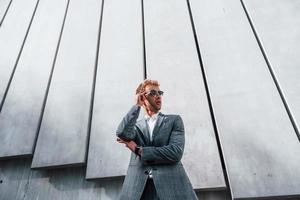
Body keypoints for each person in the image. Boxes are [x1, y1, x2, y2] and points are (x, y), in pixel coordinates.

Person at [116, 79, 198, 200]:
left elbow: (175, 153)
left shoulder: (174, 120)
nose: (158, 96)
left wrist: (139, 150)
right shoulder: (136, 127)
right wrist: (136, 106)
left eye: (160, 93)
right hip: (139, 189)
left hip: (170, 187)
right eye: (153, 93)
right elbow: (122, 133)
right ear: (143, 98)